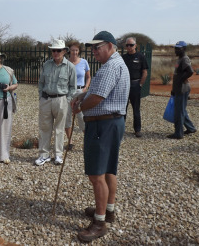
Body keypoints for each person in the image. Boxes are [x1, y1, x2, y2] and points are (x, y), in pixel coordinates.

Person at [71, 31, 129, 242]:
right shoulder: (117, 64)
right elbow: (95, 92)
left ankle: (99, 223)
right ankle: (108, 210)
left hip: (103, 125)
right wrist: (82, 95)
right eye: (92, 48)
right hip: (112, 122)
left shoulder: (111, 67)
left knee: (97, 175)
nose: (94, 51)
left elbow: (97, 97)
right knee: (107, 170)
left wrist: (79, 107)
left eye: (98, 47)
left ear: (111, 46)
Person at [35, 39, 77, 166]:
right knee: (44, 128)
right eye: (54, 50)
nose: (56, 52)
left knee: (59, 128)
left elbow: (72, 87)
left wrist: (67, 100)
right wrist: (41, 96)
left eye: (59, 50)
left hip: (61, 99)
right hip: (46, 99)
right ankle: (44, 155)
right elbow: (41, 82)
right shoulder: (46, 65)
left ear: (64, 51)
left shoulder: (70, 67)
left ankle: (58, 155)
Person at [64, 41, 91, 150]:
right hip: (67, 92)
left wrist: (85, 88)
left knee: (82, 117)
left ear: (79, 51)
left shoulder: (84, 62)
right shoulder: (65, 62)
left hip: (80, 91)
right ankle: (70, 141)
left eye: (76, 50)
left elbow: (88, 77)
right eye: (72, 50)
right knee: (67, 117)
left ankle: (87, 140)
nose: (74, 52)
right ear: (69, 50)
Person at [167, 41, 196, 139]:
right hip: (178, 89)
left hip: (182, 89)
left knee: (179, 112)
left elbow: (190, 71)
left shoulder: (184, 59)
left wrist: (180, 80)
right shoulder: (180, 59)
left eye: (178, 48)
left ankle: (178, 133)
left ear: (184, 49)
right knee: (181, 110)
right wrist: (174, 88)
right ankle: (191, 128)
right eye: (175, 48)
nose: (176, 50)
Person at [122, 37, 149, 138]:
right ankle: (121, 128)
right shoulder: (123, 58)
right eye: (127, 45)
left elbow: (145, 72)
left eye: (131, 45)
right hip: (124, 85)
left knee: (136, 109)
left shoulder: (140, 57)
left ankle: (137, 129)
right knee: (122, 108)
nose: (129, 47)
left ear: (135, 46)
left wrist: (140, 84)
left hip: (135, 84)